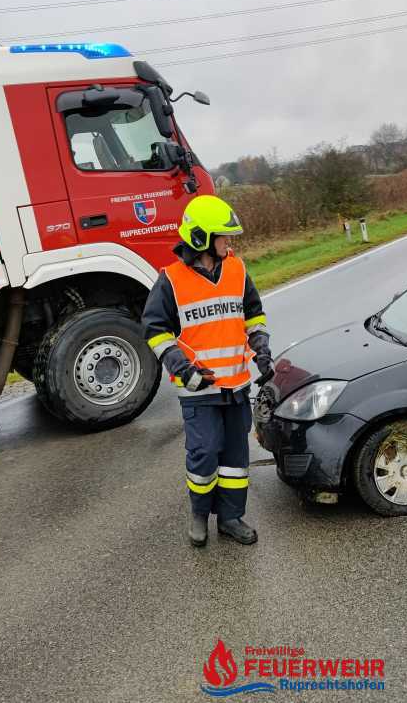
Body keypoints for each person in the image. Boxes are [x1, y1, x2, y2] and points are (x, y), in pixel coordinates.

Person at [142, 195, 273, 548]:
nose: (229, 243)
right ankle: (199, 513)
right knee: (204, 453)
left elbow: (254, 316)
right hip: (199, 390)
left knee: (235, 458)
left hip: (236, 386)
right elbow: (155, 331)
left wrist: (260, 347)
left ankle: (231, 518)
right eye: (223, 236)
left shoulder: (237, 270)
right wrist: (182, 369)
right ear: (200, 238)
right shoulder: (170, 280)